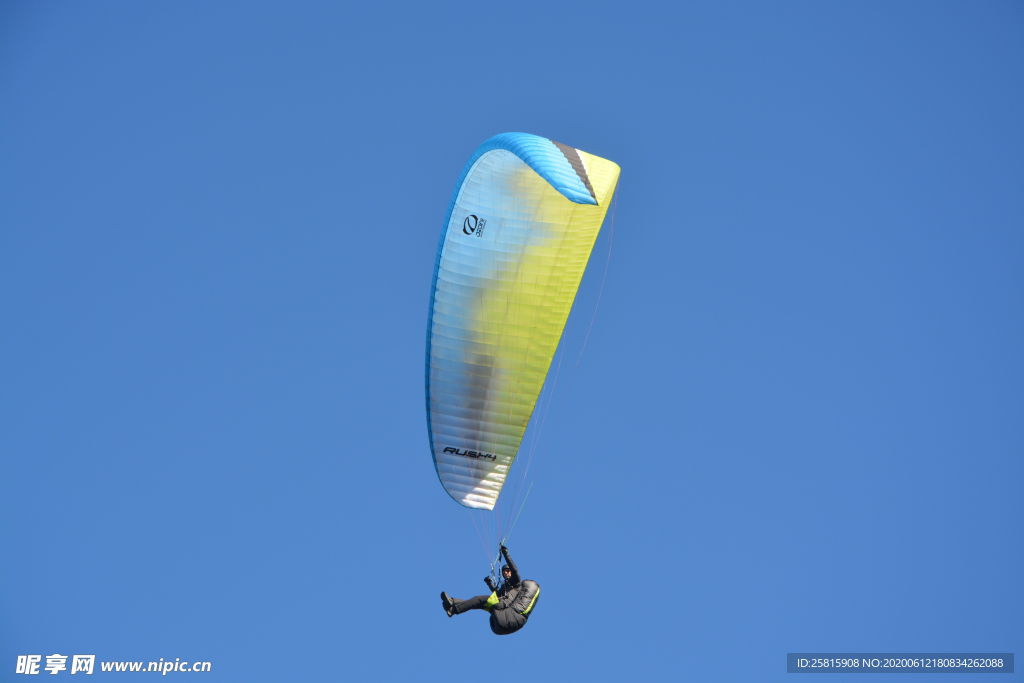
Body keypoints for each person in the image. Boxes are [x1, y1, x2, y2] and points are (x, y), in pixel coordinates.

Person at [440, 544, 541, 635]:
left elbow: (514, 570)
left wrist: (506, 554)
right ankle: (452, 603)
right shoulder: (504, 586)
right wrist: (489, 583)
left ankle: (454, 609)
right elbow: (497, 593)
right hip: (501, 605)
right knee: (477, 603)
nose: (506, 573)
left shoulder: (516, 582)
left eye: (507, 571)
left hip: (504, 606)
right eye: (504, 572)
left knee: (478, 599)